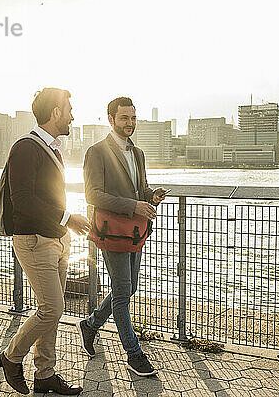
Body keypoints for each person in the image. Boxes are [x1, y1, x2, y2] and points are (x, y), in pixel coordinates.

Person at [0, 88, 90, 395]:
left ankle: (45, 374)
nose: (72, 115)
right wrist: (67, 218)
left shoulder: (50, 147)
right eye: (69, 109)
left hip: (57, 240)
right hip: (35, 241)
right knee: (52, 308)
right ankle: (11, 357)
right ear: (55, 113)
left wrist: (64, 226)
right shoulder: (26, 147)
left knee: (51, 309)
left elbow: (46, 194)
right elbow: (22, 200)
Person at [81, 96, 168, 377]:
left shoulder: (138, 153)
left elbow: (140, 189)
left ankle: (91, 324)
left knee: (127, 288)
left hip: (134, 232)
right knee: (122, 292)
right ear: (111, 119)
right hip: (111, 232)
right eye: (124, 118)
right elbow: (93, 194)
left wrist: (150, 196)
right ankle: (134, 354)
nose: (130, 123)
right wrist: (134, 205)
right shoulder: (97, 152)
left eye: (133, 118)